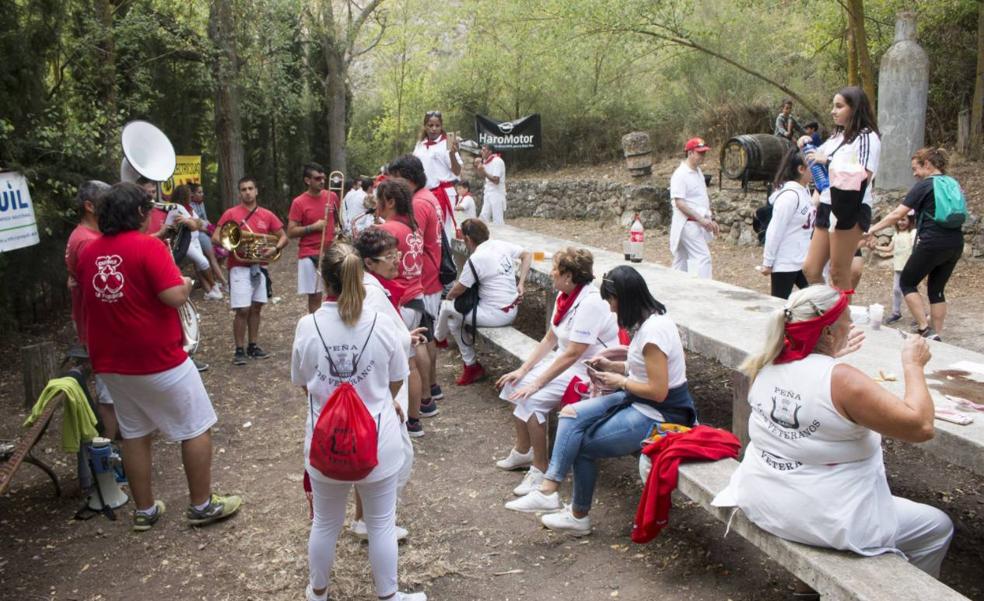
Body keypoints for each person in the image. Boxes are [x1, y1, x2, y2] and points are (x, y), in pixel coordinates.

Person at [711, 285, 952, 579]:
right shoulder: (841, 380)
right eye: (847, 319)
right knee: (937, 526)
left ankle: (806, 586)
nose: (851, 325)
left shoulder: (765, 362)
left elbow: (806, 390)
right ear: (827, 333)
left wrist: (828, 358)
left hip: (761, 497)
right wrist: (913, 365)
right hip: (824, 517)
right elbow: (921, 426)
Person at [77, 182, 242, 531]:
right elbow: (173, 296)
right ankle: (201, 504)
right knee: (196, 426)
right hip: (156, 357)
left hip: (111, 362)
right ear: (138, 213)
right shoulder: (146, 248)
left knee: (135, 433)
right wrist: (188, 283)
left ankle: (145, 511)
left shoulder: (89, 252)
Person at [505, 266, 697, 537]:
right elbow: (645, 368)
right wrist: (614, 366)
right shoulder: (649, 324)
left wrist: (620, 382)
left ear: (624, 297)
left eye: (611, 301)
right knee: (570, 413)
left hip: (660, 413)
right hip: (638, 399)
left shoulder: (654, 333)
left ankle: (578, 515)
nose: (610, 308)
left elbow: (658, 391)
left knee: (583, 445)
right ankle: (548, 489)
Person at [291, 242, 425, 601]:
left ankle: (317, 592)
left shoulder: (307, 325)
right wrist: (380, 397)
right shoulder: (382, 324)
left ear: (323, 279)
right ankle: (389, 595)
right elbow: (398, 377)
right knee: (381, 524)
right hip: (378, 438)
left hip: (325, 441)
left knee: (325, 522)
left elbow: (303, 382)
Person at [495, 248, 619, 497]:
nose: (551, 273)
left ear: (569, 276)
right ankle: (523, 451)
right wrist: (523, 370)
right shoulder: (565, 297)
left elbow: (574, 353)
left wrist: (537, 382)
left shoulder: (591, 302)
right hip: (567, 361)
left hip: (590, 370)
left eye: (556, 269)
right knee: (513, 386)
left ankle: (540, 468)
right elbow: (550, 338)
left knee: (531, 398)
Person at [352, 227, 427, 541]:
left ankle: (363, 519)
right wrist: (400, 339)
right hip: (379, 383)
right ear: (369, 263)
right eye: (390, 257)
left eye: (398, 254)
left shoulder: (374, 285)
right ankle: (374, 521)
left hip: (381, 378)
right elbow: (370, 335)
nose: (397, 261)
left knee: (379, 454)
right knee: (393, 455)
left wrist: (403, 337)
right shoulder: (369, 292)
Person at [866, 148, 963, 341]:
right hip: (955, 243)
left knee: (907, 282)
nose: (914, 174)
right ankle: (936, 334)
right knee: (937, 289)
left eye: (915, 168)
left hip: (932, 242)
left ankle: (925, 329)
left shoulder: (925, 185)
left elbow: (897, 214)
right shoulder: (953, 183)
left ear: (927, 164)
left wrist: (872, 229)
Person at [798, 86, 881, 290]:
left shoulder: (867, 137)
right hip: (826, 203)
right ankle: (829, 310)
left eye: (839, 106)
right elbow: (815, 159)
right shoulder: (837, 135)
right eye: (833, 106)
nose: (833, 111)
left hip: (849, 206)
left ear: (854, 108)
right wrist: (805, 145)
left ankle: (841, 320)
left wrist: (827, 160)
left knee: (839, 271)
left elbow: (864, 175)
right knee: (811, 269)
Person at [436, 219, 532, 384]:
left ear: (467, 239)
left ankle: (439, 339)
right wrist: (521, 283)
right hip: (511, 309)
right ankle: (468, 363)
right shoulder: (500, 245)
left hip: (495, 315)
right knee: (453, 320)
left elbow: (460, 288)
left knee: (447, 308)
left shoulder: (476, 258)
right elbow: (527, 254)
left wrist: (448, 296)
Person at [387, 155, 444, 419]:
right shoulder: (426, 197)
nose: (391, 183)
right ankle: (430, 388)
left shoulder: (419, 203)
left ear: (407, 178)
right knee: (425, 335)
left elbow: (412, 244)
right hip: (426, 276)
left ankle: (425, 396)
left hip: (422, 278)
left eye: (395, 177)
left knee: (419, 339)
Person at [373, 179, 430, 437]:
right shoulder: (411, 227)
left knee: (397, 363)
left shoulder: (388, 229)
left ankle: (396, 416)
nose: (376, 206)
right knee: (411, 362)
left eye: (379, 200)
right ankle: (414, 419)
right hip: (416, 295)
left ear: (390, 202)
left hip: (398, 301)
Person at [213, 176, 288, 365]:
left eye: (250, 188)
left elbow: (283, 236)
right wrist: (230, 245)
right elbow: (215, 236)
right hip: (238, 267)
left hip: (259, 266)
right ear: (240, 192)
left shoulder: (267, 215)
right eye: (243, 189)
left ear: (256, 191)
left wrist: (276, 248)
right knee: (242, 309)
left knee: (256, 307)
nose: (247, 192)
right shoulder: (231, 213)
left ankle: (253, 346)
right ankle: (239, 349)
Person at [65, 180, 117, 438]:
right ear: (89, 206)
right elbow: (97, 290)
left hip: (98, 325)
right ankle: (110, 448)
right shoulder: (86, 242)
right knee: (108, 389)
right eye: (106, 201)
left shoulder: (89, 236)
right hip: (99, 327)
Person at [759, 148, 814, 299]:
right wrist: (768, 261)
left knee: (817, 300)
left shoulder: (805, 191)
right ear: (801, 169)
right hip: (785, 262)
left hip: (802, 260)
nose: (816, 170)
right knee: (779, 304)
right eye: (812, 166)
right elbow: (775, 230)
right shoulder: (789, 196)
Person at [288, 163, 341, 314]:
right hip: (309, 253)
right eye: (317, 178)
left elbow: (338, 220)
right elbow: (291, 232)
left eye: (323, 178)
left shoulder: (332, 196)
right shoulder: (298, 202)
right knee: (315, 295)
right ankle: (316, 327)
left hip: (331, 251)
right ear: (307, 180)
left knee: (337, 291)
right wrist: (313, 227)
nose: (322, 181)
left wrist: (338, 230)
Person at [669, 137, 719, 279]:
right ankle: (704, 290)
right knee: (703, 257)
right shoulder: (680, 174)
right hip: (687, 222)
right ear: (690, 153)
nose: (702, 156)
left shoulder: (698, 172)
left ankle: (674, 288)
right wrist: (701, 220)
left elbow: (700, 200)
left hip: (695, 221)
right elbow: (680, 203)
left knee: (682, 260)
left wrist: (709, 218)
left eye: (703, 153)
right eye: (699, 153)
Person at [413, 111, 462, 240]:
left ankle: (445, 259)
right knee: (425, 230)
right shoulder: (419, 145)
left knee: (443, 231)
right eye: (430, 125)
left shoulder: (447, 144)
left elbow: (457, 171)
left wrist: (452, 154)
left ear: (441, 126)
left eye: (437, 125)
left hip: (443, 193)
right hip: (423, 193)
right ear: (425, 126)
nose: (434, 129)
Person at [171, 184, 222, 300]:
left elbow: (198, 222)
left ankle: (209, 291)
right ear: (184, 195)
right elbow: (194, 225)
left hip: (195, 239)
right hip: (186, 241)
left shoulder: (189, 207)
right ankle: (214, 287)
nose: (191, 196)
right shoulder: (177, 207)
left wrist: (193, 221)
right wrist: (193, 222)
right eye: (189, 194)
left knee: (200, 265)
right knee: (203, 261)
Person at [873, 210, 915, 325]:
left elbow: (914, 249)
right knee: (896, 290)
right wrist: (875, 247)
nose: (901, 222)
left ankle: (918, 315)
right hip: (898, 267)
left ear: (910, 220)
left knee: (911, 292)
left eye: (904, 220)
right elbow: (889, 249)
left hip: (910, 267)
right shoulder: (896, 234)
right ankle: (896, 312)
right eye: (899, 220)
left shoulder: (913, 233)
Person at [188, 182, 228, 289]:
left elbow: (205, 219)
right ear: (192, 194)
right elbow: (196, 225)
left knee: (222, 253)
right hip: (200, 233)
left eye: (202, 192)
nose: (202, 194)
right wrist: (208, 231)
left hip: (207, 230)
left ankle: (214, 279)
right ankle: (224, 283)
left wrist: (213, 229)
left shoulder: (201, 203)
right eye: (199, 192)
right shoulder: (190, 206)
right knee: (212, 256)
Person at [476, 143, 506, 224]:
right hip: (488, 191)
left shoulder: (497, 161)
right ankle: (481, 235)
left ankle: (501, 236)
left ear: (490, 152)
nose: (481, 152)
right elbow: (482, 176)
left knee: (498, 219)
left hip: (497, 193)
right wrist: (479, 168)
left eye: (484, 150)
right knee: (483, 217)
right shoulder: (486, 161)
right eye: (481, 150)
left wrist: (484, 171)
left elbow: (496, 180)